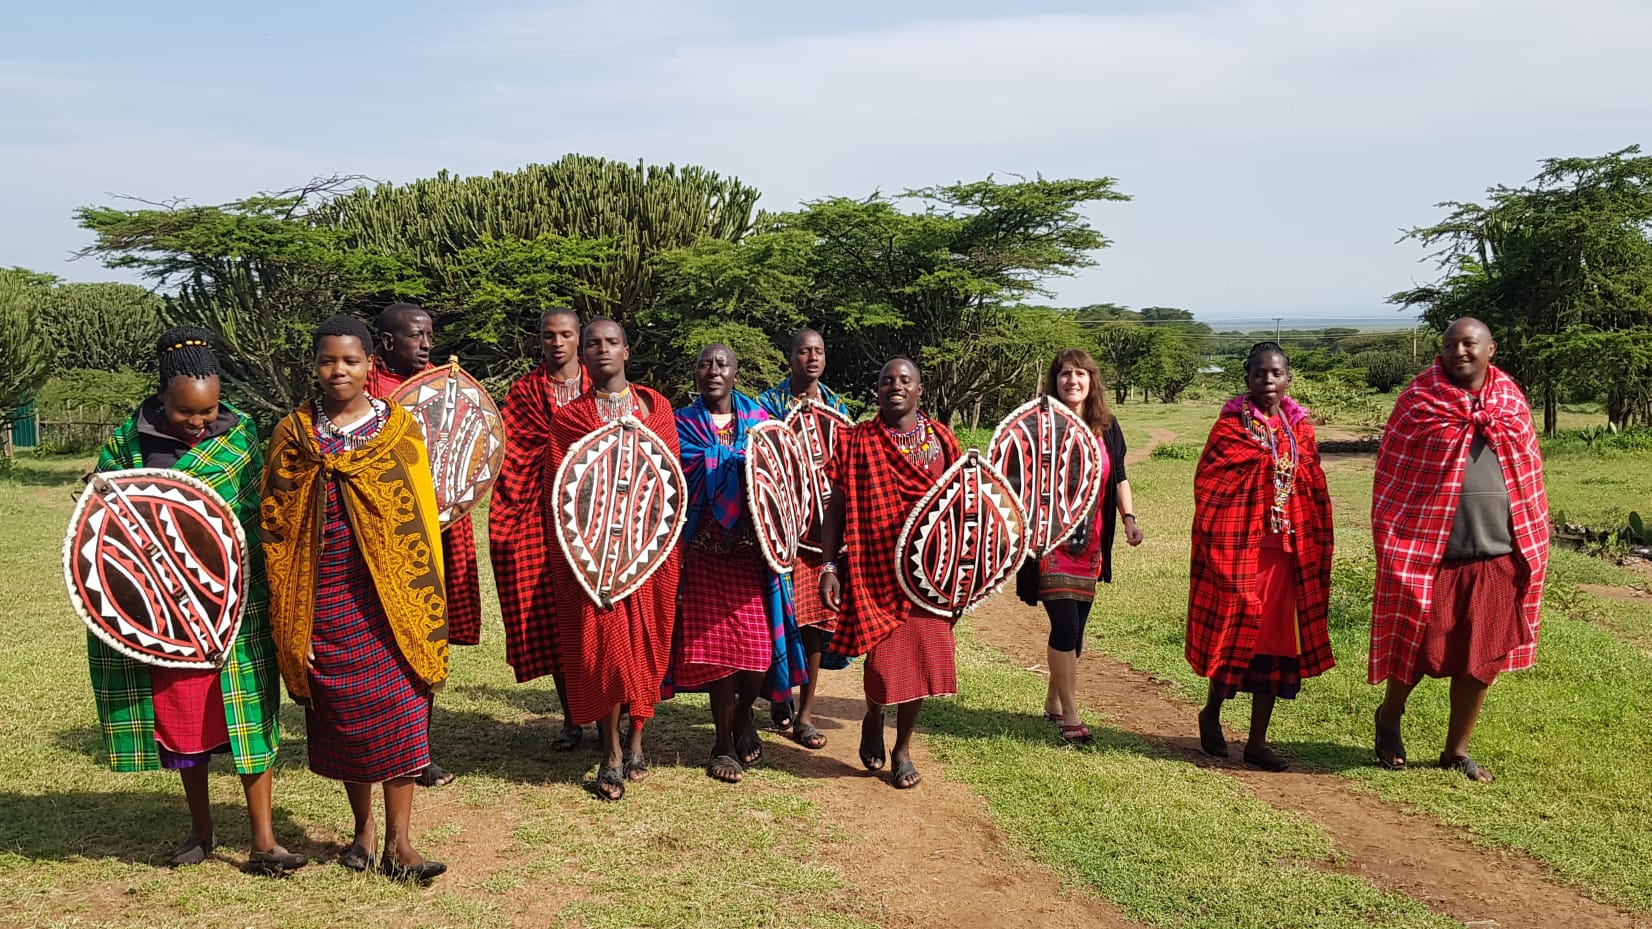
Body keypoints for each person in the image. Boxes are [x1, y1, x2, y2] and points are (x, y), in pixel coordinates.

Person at [86, 327, 305, 875]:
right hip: (168, 613)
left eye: (208, 412)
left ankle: (264, 841)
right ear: (162, 397)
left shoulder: (241, 437)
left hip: (236, 605)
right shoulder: (127, 446)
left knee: (249, 718)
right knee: (186, 724)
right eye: (186, 413)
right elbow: (107, 526)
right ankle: (201, 831)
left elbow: (260, 513)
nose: (200, 423)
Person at [261, 315, 448, 882]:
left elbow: (418, 520)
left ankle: (401, 842)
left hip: (395, 601)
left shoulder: (399, 431)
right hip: (324, 598)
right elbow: (276, 530)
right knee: (346, 718)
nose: (338, 370)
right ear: (315, 366)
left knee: (403, 713)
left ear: (370, 364)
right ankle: (363, 831)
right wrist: (294, 617)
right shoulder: (293, 435)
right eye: (327, 360)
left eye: (349, 360)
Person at [1370, 318, 1549, 783]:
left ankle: (1456, 750)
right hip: (1430, 554)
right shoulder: (1418, 402)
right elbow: (1394, 477)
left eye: (1469, 344)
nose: (1459, 352)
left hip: (1498, 552)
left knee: (1481, 659)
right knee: (1414, 648)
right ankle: (1389, 718)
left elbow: (1528, 474)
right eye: (1450, 345)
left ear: (1491, 349)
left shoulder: (1510, 401)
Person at [542, 319, 681, 801]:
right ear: (583, 354)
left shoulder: (656, 408)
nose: (602, 349)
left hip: (648, 553)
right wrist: (584, 554)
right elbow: (560, 495)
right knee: (604, 653)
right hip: (594, 558)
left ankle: (637, 737)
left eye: (612, 342)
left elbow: (669, 482)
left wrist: (650, 543)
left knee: (644, 647)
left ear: (626, 351)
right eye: (593, 344)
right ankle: (611, 752)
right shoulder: (569, 419)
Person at [1186, 341, 1334, 772]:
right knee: (1234, 631)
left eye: (1276, 373)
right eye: (1259, 373)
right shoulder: (1230, 428)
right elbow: (1209, 484)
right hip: (1239, 551)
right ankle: (1212, 712)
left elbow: (1313, 483)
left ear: (1288, 378)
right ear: (1247, 378)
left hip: (1287, 552)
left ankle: (1257, 741)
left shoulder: (1300, 429)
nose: (1267, 380)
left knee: (1276, 645)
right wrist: (1263, 469)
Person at [819, 358, 960, 790]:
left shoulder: (942, 440)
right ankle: (874, 713)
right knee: (881, 666)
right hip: (873, 570)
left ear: (920, 389)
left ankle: (902, 749)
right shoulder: (856, 440)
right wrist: (829, 565)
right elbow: (835, 509)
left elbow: (963, 508)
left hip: (929, 574)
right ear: (877, 390)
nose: (895, 386)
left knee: (921, 660)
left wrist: (963, 574)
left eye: (904, 380)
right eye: (886, 381)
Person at [673, 344, 808, 783]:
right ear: (695, 374)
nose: (713, 370)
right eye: (704, 364)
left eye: (722, 364)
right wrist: (731, 462)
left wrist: (741, 464)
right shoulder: (680, 424)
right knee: (719, 656)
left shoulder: (762, 424)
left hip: (752, 556)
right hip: (705, 555)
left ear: (736, 373)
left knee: (758, 654)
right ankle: (722, 743)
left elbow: (783, 476)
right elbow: (674, 476)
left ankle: (745, 713)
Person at [365, 302, 473, 788]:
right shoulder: (365, 390)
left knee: (425, 637)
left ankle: (417, 749)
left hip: (436, 534)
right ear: (387, 342)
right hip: (380, 535)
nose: (427, 344)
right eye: (416, 336)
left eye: (430, 335)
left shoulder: (443, 388)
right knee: (381, 641)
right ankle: (377, 744)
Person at [1014, 349, 1144, 744]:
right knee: (1066, 625)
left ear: (1092, 381)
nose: (1072, 380)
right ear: (1054, 381)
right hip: (1049, 542)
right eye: (1065, 374)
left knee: (1078, 630)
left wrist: (1128, 518)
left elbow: (1118, 476)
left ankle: (1054, 700)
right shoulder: (1040, 425)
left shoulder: (1108, 426)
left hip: (1091, 544)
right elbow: (1017, 475)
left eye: (1080, 374)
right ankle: (1071, 714)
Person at [490, 309, 590, 752]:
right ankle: (572, 719)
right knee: (553, 618)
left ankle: (613, 716)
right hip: (538, 516)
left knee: (598, 616)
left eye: (566, 334)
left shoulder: (600, 384)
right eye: (549, 335)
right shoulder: (524, 392)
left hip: (594, 515)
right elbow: (510, 454)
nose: (557, 343)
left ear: (579, 338)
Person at [756, 328, 851, 746]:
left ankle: (806, 713)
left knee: (814, 624)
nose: (812, 358)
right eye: (803, 351)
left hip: (821, 537)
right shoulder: (767, 406)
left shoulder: (837, 408)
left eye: (819, 351)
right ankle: (778, 696)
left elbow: (846, 468)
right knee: (773, 619)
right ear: (789, 357)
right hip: (777, 530)